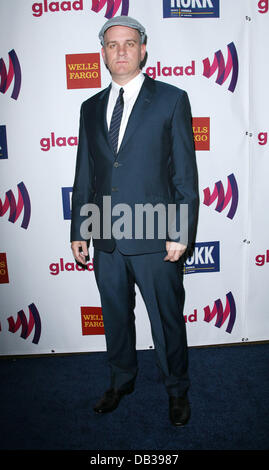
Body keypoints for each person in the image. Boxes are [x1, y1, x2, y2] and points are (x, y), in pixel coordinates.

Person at [71, 16, 199, 426]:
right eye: (112, 44)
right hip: (106, 235)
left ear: (143, 50)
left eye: (129, 43)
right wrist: (80, 230)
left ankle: (177, 389)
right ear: (103, 53)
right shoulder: (90, 108)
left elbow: (184, 174)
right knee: (115, 317)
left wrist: (180, 232)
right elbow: (85, 175)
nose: (121, 50)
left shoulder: (171, 99)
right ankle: (121, 380)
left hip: (156, 236)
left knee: (166, 319)